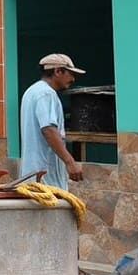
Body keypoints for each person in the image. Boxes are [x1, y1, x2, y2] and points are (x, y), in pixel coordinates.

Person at [19, 54, 86, 188]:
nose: (72, 79)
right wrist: (70, 162)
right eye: (70, 74)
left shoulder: (33, 91)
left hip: (34, 178)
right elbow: (48, 130)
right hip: (46, 180)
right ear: (57, 71)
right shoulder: (46, 94)